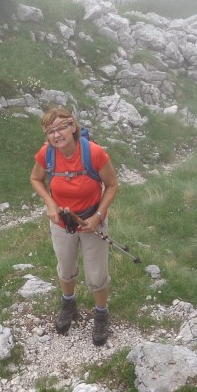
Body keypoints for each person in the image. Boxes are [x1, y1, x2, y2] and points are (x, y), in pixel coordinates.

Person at [30, 107, 119, 346]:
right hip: (62, 222)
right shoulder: (47, 154)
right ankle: (68, 302)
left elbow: (112, 185)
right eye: (51, 131)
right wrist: (50, 203)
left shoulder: (95, 153)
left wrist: (99, 216)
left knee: (96, 274)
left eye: (61, 127)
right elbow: (36, 178)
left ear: (73, 126)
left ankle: (101, 314)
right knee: (66, 267)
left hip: (92, 220)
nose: (57, 135)